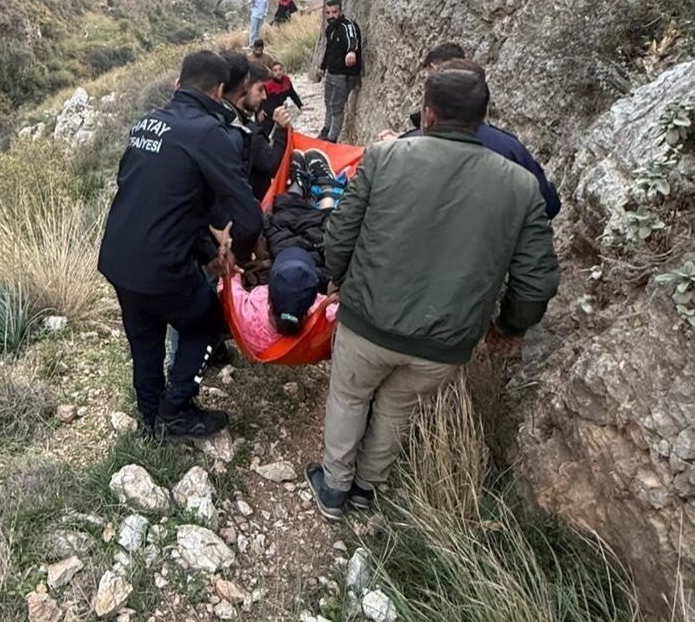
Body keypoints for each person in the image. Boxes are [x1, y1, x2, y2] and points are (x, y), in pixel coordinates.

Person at [304, 63, 560, 520]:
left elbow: (340, 233)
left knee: (349, 396)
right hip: (444, 342)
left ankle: (334, 489)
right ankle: (366, 491)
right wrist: (509, 326)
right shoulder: (521, 186)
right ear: (483, 118)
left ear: (426, 115)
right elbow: (536, 278)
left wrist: (337, 280)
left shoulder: (385, 158)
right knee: (397, 409)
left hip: (368, 320)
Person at [98, 51, 264, 441]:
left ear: (177, 85)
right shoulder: (210, 133)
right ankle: (176, 411)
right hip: (161, 263)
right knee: (206, 322)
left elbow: (172, 201)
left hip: (120, 259)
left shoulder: (147, 122)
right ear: (221, 91)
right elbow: (250, 217)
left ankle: (151, 416)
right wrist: (236, 253)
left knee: (145, 336)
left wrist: (208, 255)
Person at [393, 42, 562, 218]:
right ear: (483, 103)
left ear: (429, 111)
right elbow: (549, 205)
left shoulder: (403, 148)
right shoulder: (509, 148)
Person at [225, 246, 331, 354]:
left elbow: (226, 286)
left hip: (255, 346)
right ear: (310, 303)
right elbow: (339, 312)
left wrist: (230, 264)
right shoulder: (320, 317)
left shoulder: (245, 314)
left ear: (269, 300)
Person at [220, 54, 291, 201]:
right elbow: (272, 165)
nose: (265, 96)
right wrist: (281, 130)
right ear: (245, 85)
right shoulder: (245, 130)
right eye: (260, 89)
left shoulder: (218, 116)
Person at [318, 0, 363, 142]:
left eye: (334, 12)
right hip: (331, 72)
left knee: (337, 107)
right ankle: (325, 131)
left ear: (341, 11)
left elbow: (352, 39)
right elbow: (329, 50)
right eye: (328, 13)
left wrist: (351, 51)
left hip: (344, 75)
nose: (331, 16)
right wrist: (323, 66)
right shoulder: (330, 29)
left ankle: (331, 139)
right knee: (328, 103)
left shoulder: (347, 25)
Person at [260, 60, 303, 124]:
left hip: (279, 111)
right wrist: (259, 110)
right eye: (275, 70)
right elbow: (260, 99)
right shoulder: (268, 84)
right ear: (272, 72)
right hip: (267, 113)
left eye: (280, 70)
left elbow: (293, 94)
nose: (278, 72)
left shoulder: (286, 80)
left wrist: (300, 106)